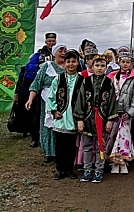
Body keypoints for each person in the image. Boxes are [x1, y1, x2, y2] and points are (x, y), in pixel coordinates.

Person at [74, 55, 118, 183]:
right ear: (91, 67)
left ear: (106, 67)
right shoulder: (86, 81)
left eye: (102, 66)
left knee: (101, 146)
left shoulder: (109, 82)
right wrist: (80, 119)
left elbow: (111, 102)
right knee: (87, 146)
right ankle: (87, 169)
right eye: (97, 65)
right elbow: (80, 100)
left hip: (102, 118)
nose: (99, 68)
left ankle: (99, 170)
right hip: (88, 117)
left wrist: (110, 120)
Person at [26, 44, 67, 163]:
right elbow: (36, 84)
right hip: (47, 101)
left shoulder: (69, 66)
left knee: (61, 126)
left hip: (64, 101)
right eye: (60, 50)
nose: (63, 52)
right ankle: (49, 153)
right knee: (48, 126)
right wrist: (30, 99)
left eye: (65, 50)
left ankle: (60, 152)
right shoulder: (47, 66)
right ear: (54, 53)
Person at [47, 49, 84, 180]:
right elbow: (51, 96)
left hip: (73, 117)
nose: (71, 64)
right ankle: (60, 169)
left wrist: (81, 117)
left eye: (74, 61)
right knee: (60, 145)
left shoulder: (82, 80)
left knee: (71, 145)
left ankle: (69, 169)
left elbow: (85, 99)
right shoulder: (58, 78)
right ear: (65, 62)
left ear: (78, 62)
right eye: (68, 61)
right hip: (61, 116)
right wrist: (53, 110)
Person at [107, 52, 134, 174]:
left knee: (124, 135)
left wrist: (130, 112)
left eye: (128, 62)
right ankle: (114, 161)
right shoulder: (112, 77)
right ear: (119, 62)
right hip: (114, 112)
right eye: (123, 62)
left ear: (131, 63)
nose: (125, 64)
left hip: (126, 114)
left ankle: (123, 160)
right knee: (112, 135)